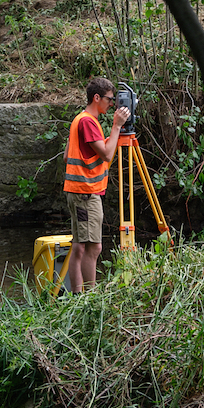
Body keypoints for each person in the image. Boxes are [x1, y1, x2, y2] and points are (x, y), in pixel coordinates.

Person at [63, 76, 130, 293]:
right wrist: (117, 126)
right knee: (93, 247)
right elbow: (108, 154)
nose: (113, 104)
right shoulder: (88, 122)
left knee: (80, 248)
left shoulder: (80, 119)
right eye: (110, 100)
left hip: (79, 191)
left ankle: (78, 295)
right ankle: (90, 298)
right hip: (85, 193)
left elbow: (67, 156)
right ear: (96, 97)